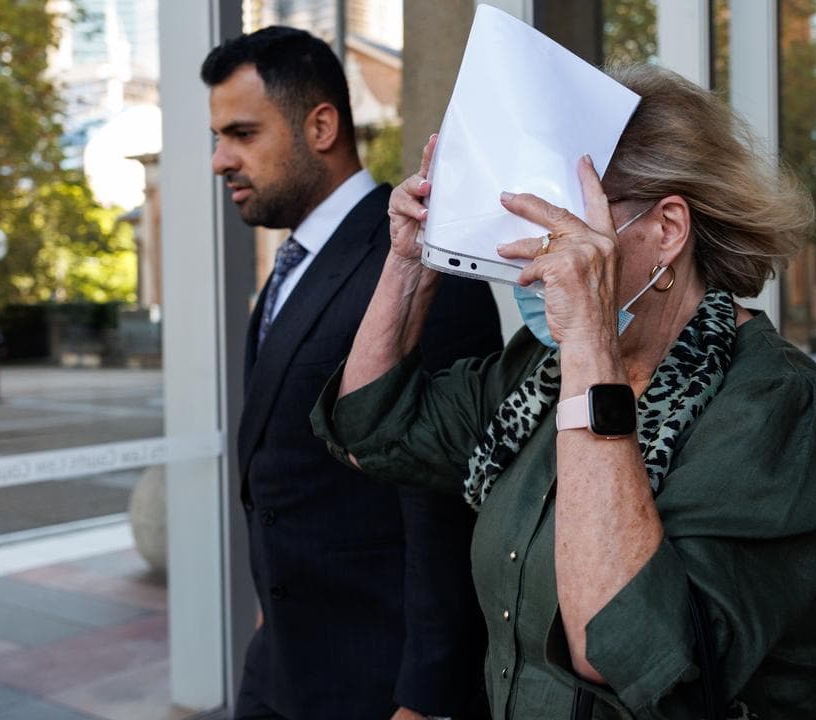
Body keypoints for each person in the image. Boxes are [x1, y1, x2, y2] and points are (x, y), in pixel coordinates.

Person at [312, 63, 816, 719]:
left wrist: (592, 348)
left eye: (566, 229)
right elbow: (371, 428)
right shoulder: (540, 372)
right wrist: (409, 260)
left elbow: (630, 655)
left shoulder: (777, 406)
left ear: (666, 230)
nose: (531, 266)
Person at [202, 27, 501, 720]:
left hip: (378, 686)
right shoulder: (293, 263)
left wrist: (425, 699)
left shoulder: (422, 261)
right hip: (279, 665)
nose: (221, 160)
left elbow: (448, 499)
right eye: (219, 137)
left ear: (322, 125)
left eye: (242, 133)